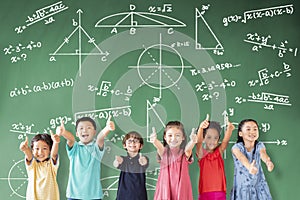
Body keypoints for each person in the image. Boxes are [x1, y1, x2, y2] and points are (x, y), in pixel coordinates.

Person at [56, 116, 115, 200]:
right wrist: (63, 132)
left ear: (94, 132)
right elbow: (71, 139)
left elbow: (100, 138)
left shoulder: (96, 148)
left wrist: (107, 128)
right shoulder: (74, 148)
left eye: (88, 128)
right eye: (81, 128)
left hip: (94, 196)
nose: (84, 130)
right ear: (77, 133)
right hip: (74, 195)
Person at [150, 121, 197, 200]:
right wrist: (155, 141)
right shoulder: (164, 152)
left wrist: (193, 141)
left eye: (177, 135)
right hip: (165, 188)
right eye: (170, 135)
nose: (173, 138)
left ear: (183, 137)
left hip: (181, 189)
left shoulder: (184, 153)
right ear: (165, 137)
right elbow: (159, 147)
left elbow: (188, 149)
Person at [230, 119, 274, 200]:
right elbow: (241, 157)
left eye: (255, 129)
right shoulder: (236, 147)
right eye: (248, 129)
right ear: (240, 133)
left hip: (259, 186)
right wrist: (249, 167)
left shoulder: (259, 145)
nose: (252, 132)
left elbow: (263, 153)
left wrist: (268, 161)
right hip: (243, 188)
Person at [196, 114, 235, 200]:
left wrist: (230, 129)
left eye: (215, 138)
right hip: (204, 192)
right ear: (204, 138)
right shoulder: (201, 154)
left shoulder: (218, 152)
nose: (212, 141)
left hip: (220, 191)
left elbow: (225, 141)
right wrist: (201, 128)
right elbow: (198, 142)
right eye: (209, 137)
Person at [19, 132, 60, 200]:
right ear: (32, 150)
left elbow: (54, 155)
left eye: (44, 148)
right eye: (37, 149)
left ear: (50, 150)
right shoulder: (33, 165)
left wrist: (56, 143)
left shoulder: (51, 166)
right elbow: (29, 156)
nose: (40, 152)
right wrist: (25, 149)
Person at [114, 131, 149, 200]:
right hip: (123, 195)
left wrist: (144, 161)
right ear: (124, 145)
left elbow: (145, 163)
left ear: (141, 146)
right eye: (129, 141)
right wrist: (117, 162)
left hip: (139, 195)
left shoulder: (142, 158)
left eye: (136, 141)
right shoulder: (123, 159)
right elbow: (116, 164)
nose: (132, 143)